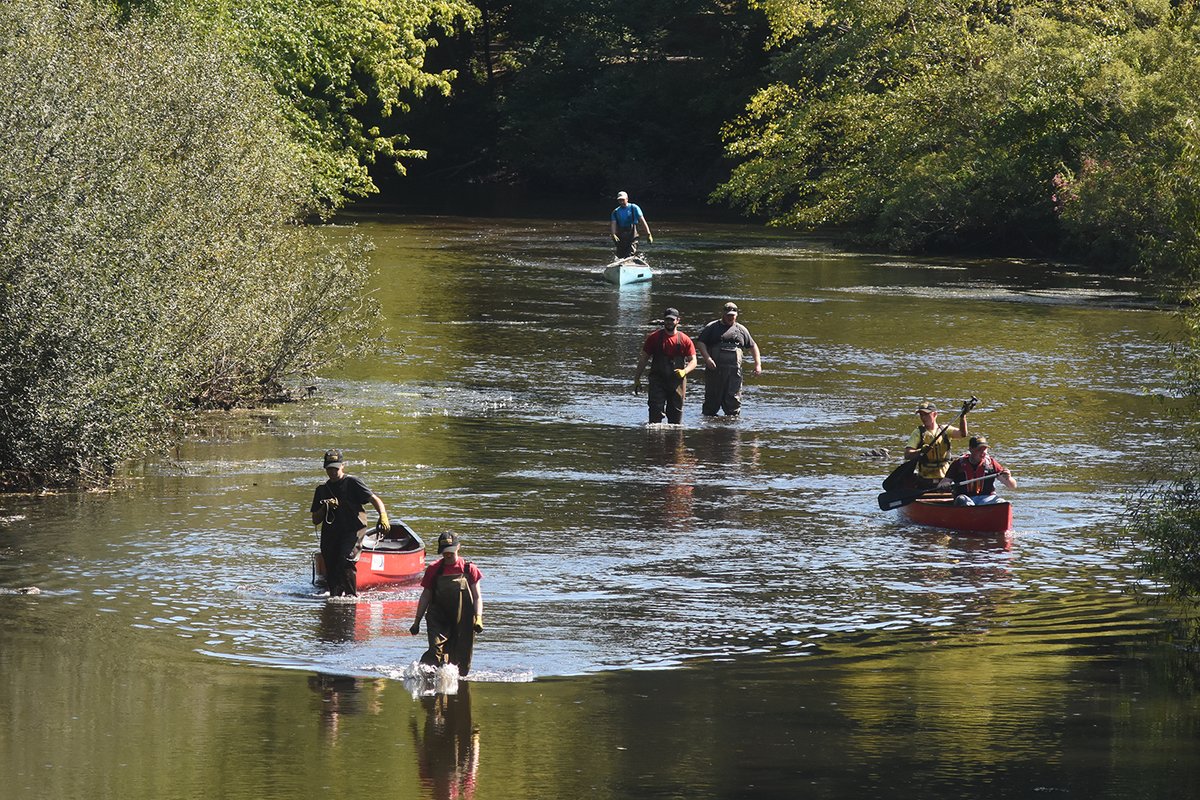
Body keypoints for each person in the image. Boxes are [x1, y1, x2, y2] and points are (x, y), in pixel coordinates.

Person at [310, 449, 390, 597]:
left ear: (343, 466)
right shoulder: (321, 490)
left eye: (335, 468)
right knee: (332, 565)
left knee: (345, 559)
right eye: (329, 469)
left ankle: (352, 598)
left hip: (353, 530)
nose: (332, 472)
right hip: (331, 534)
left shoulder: (353, 483)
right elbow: (315, 519)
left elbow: (375, 500)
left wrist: (383, 516)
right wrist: (325, 507)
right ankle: (334, 598)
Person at [410, 532, 484, 677]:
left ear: (458, 548)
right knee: (435, 650)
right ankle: (422, 679)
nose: (448, 555)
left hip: (463, 618)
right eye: (445, 552)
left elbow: (477, 597)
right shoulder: (434, 569)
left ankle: (451, 688)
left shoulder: (469, 569)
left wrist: (478, 617)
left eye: (450, 551)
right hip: (438, 617)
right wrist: (416, 621)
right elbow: (426, 595)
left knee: (461, 661)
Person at [695, 301, 762, 417]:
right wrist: (707, 358)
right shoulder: (712, 327)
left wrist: (758, 364)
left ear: (736, 315)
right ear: (723, 314)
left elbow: (753, 346)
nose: (730, 318)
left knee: (733, 401)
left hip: (734, 373)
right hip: (714, 370)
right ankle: (708, 429)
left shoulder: (742, 330)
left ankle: (732, 429)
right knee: (712, 400)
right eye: (728, 315)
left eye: (733, 316)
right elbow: (700, 343)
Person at [634, 307, 697, 424]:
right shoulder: (654, 338)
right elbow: (643, 359)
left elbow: (693, 361)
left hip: (677, 382)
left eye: (672, 320)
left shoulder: (685, 339)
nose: (669, 322)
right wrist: (637, 378)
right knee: (655, 416)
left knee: (676, 419)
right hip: (657, 381)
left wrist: (685, 371)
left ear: (678, 320)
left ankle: (674, 441)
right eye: (667, 319)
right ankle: (654, 440)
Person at [903, 401, 970, 489]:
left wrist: (963, 416)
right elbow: (907, 454)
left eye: (926, 414)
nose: (923, 417)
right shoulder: (918, 433)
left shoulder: (945, 430)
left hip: (945, 479)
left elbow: (963, 434)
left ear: (935, 414)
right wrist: (921, 451)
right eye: (921, 415)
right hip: (925, 479)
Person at [940, 435, 1016, 505]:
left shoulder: (991, 463)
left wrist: (1008, 478)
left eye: (985, 449)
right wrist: (944, 486)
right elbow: (943, 483)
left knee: (1002, 503)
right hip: (966, 498)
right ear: (971, 449)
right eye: (979, 449)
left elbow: (1012, 486)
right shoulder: (958, 464)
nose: (983, 453)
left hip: (986, 499)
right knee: (962, 500)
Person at [610, 190, 652, 258]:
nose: (621, 202)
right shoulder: (615, 212)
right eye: (619, 200)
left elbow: (642, 221)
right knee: (620, 255)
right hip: (621, 236)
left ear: (627, 199)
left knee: (630, 253)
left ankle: (630, 264)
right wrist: (613, 234)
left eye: (623, 200)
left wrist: (648, 234)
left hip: (633, 235)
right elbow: (613, 224)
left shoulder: (634, 208)